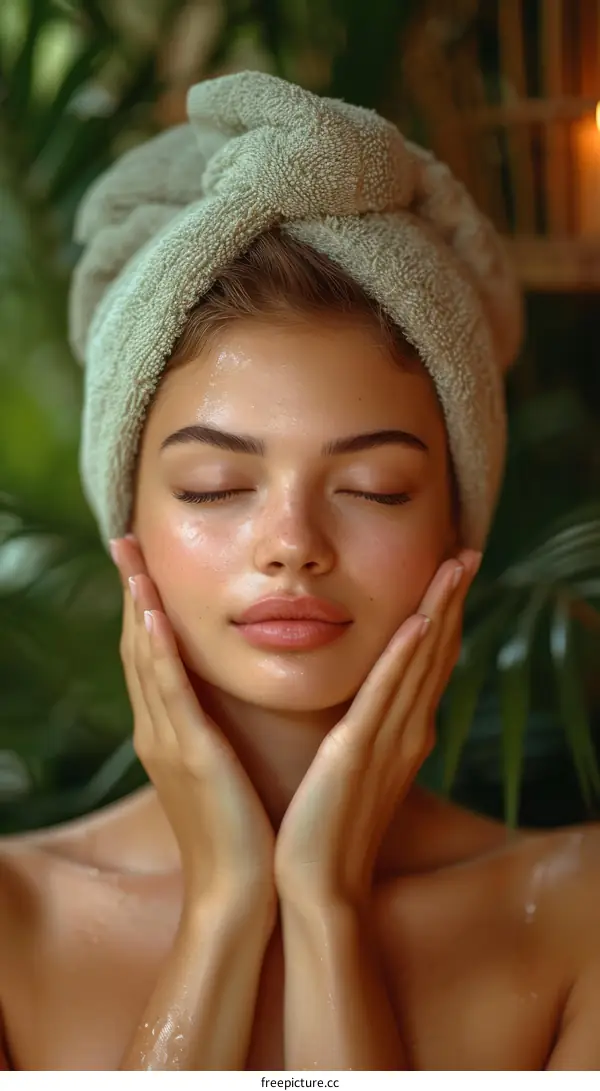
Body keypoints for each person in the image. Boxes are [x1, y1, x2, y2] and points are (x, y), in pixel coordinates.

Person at [1, 71, 599, 1072]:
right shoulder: (12, 921)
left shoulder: (580, 914)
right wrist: (226, 909)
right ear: (128, 522)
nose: (291, 541)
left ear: (460, 523)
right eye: (212, 486)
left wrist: (325, 906)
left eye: (372, 485)